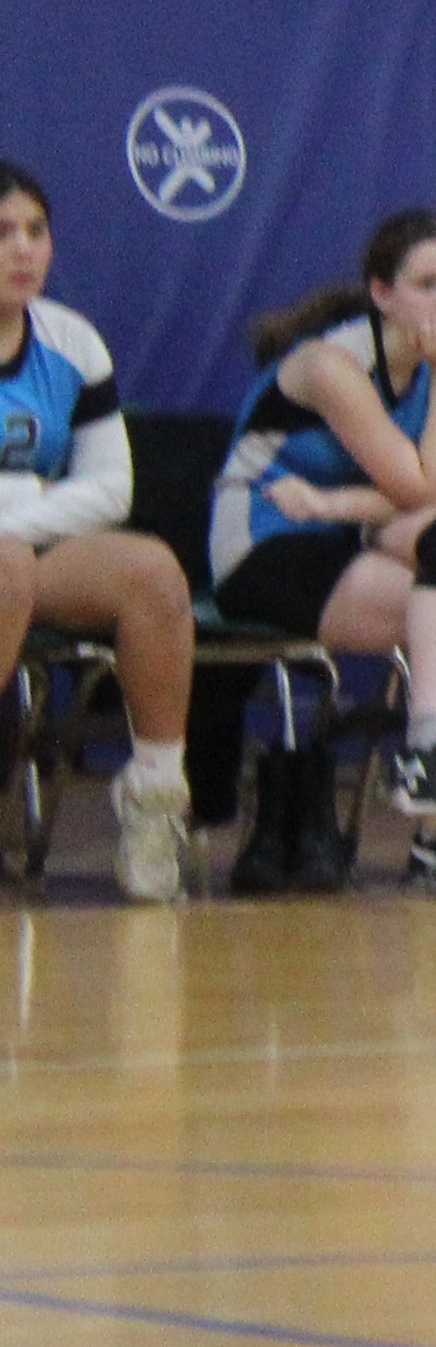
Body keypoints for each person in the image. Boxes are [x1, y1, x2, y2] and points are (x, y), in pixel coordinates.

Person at [212, 210, 436, 898]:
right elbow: (421, 484)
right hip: (264, 543)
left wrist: (332, 506)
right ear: (383, 292)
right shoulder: (330, 364)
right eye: (428, 284)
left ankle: (435, 800)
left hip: (348, 526)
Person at [0, 162, 204, 900]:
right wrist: (30, 495)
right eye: (2, 233)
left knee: (151, 572)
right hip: (15, 554)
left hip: (30, 544)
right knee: (7, 570)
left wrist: (16, 515)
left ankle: (153, 798)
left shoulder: (71, 342)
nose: (23, 250)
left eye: (35, 232)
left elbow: (111, 487)